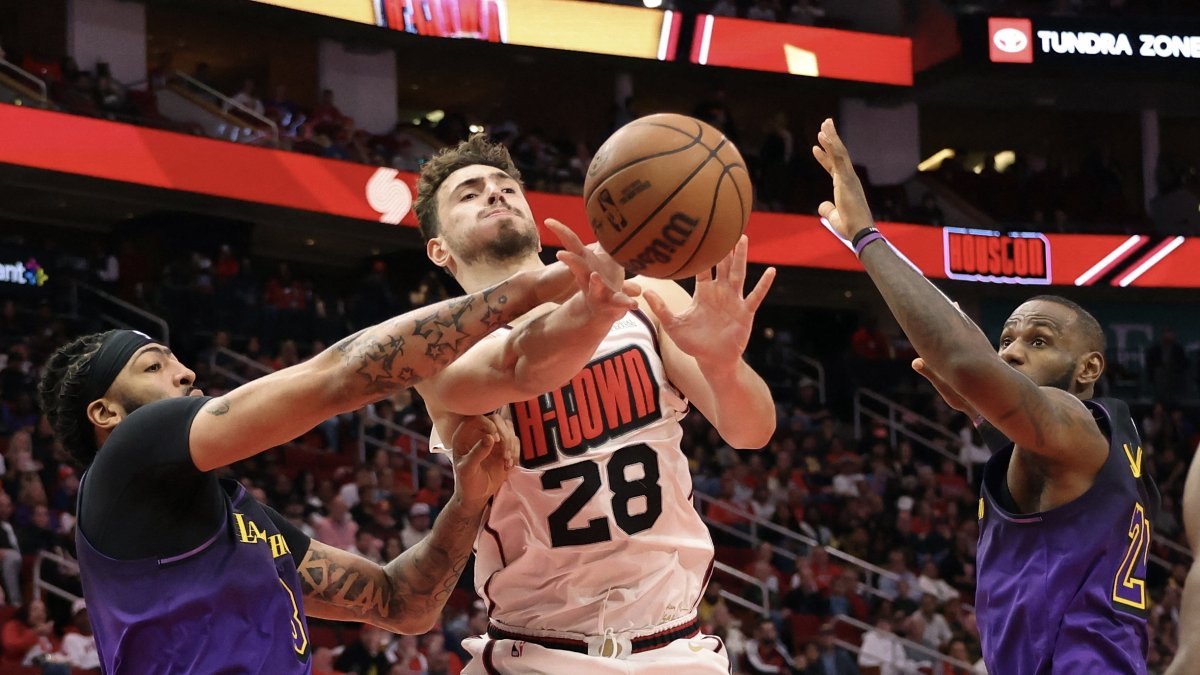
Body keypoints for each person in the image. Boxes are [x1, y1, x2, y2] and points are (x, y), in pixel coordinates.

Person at [34, 235, 624, 672]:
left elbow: (401, 604)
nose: (186, 372)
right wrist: (525, 292)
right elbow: (337, 377)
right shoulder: (129, 454)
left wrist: (468, 501)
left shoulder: (242, 522)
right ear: (105, 413)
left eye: (174, 359)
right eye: (154, 366)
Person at [411, 134, 777, 672]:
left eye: (506, 187)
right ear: (439, 248)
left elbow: (752, 432)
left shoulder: (649, 299)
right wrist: (597, 309)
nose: (494, 195)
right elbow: (525, 366)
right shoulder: (438, 348)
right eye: (468, 193)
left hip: (675, 647)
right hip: (535, 652)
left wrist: (723, 366)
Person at [813, 118, 1158, 674]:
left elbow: (966, 360)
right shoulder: (1092, 444)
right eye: (1008, 339)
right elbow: (988, 387)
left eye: (1039, 341)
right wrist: (978, 407)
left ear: (1089, 367)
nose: (1013, 352)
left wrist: (866, 237)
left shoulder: (1074, 423)